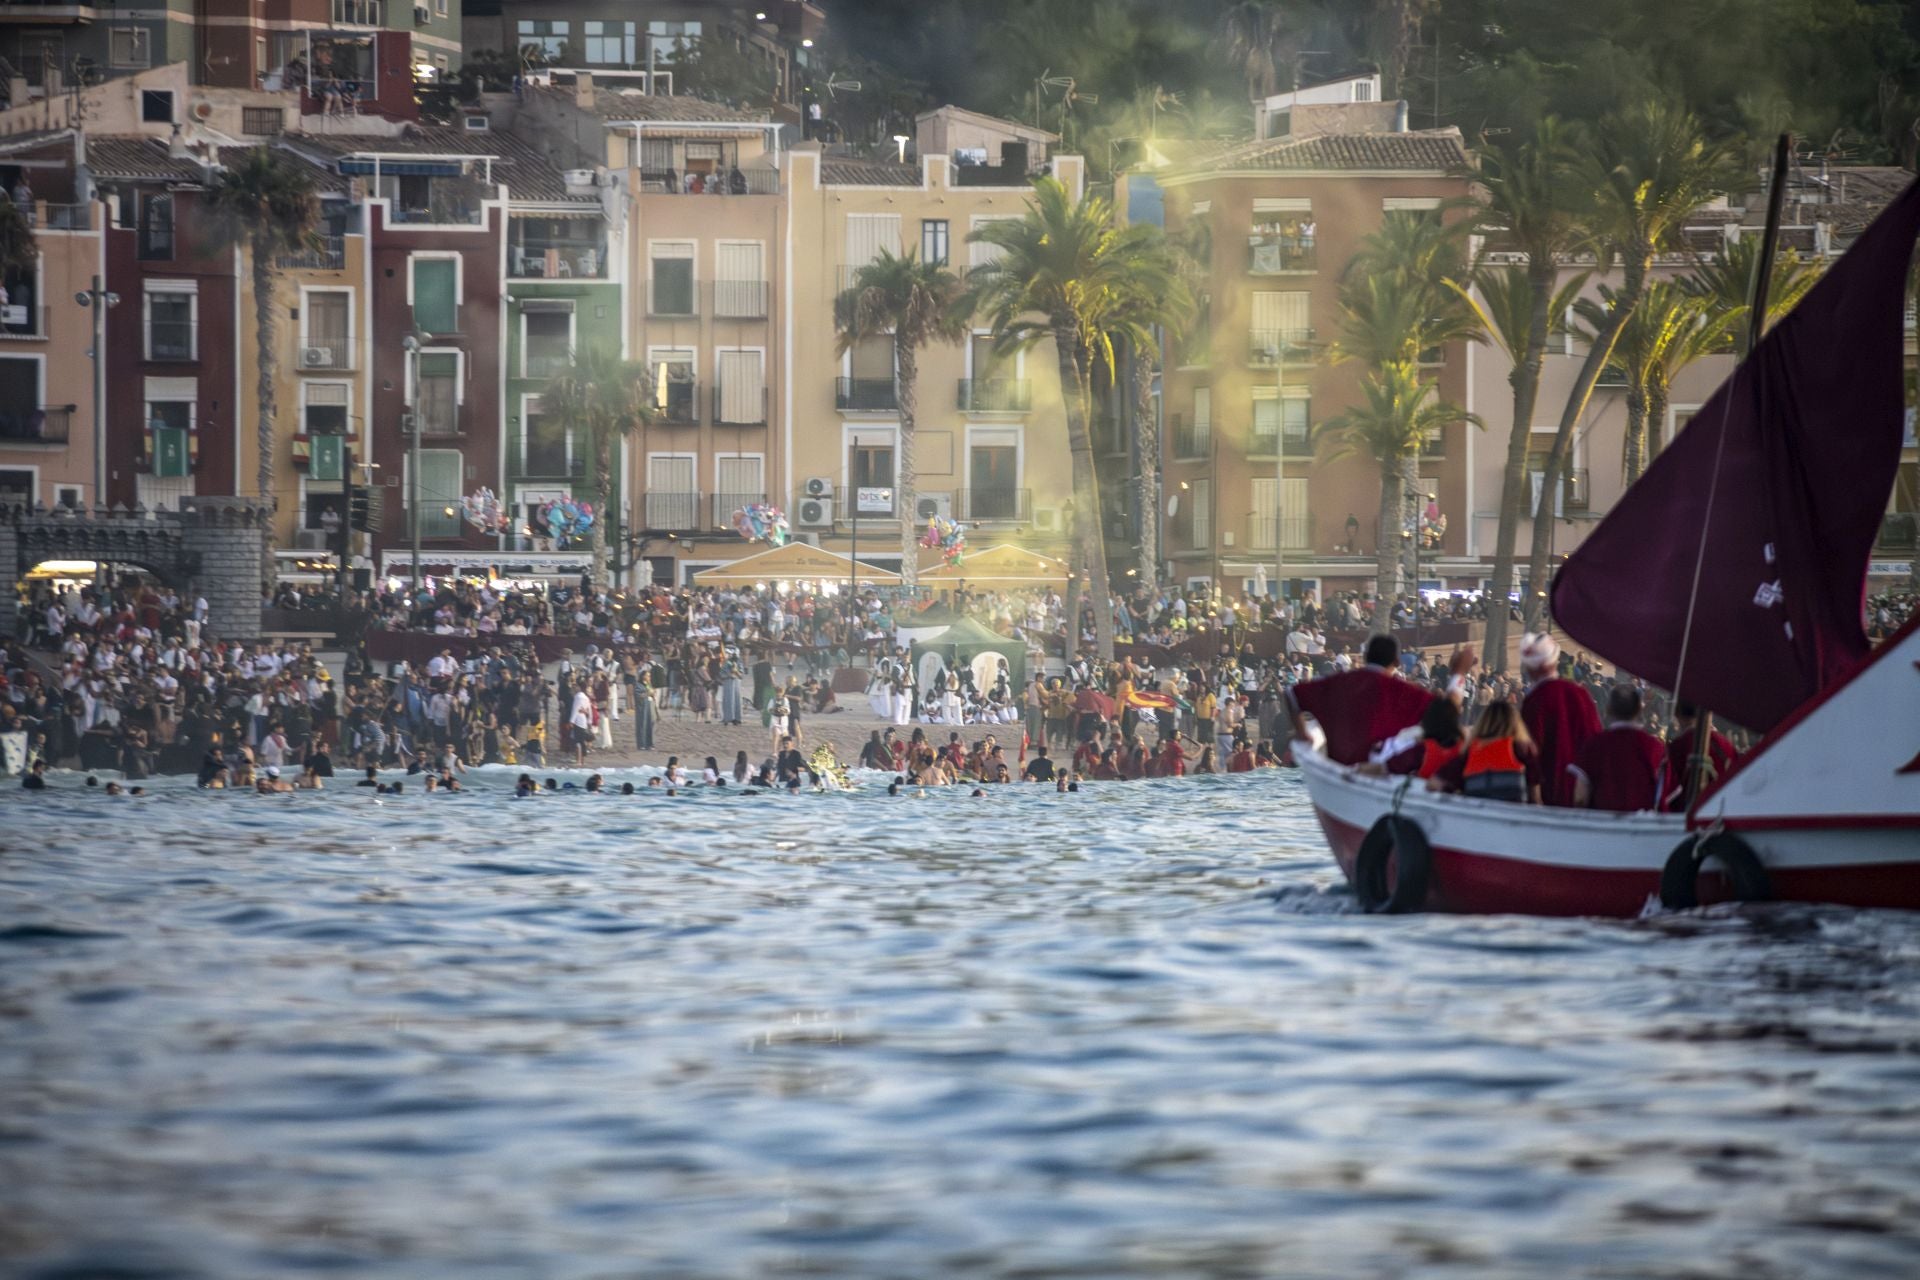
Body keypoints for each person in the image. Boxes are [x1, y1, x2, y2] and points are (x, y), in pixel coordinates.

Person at [1289, 634, 1460, 766]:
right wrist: (1460, 672)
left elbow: (1291, 694)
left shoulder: (1337, 682)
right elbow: (1449, 711)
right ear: (1397, 661)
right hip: (1383, 772)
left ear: (1365, 657)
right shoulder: (1405, 691)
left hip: (1341, 765)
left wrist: (1303, 735)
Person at [1517, 633, 1600, 807]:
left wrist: (1534, 795)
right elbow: (1595, 740)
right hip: (1582, 791)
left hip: (1548, 794)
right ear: (1555, 662)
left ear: (1530, 668)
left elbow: (1530, 752)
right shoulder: (1581, 694)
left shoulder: (1534, 701)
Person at [1570, 684, 1666, 812]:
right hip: (1640, 826)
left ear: (1608, 709)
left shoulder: (1594, 745)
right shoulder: (1656, 748)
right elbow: (1663, 797)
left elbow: (1580, 798)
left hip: (1599, 825)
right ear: (1639, 710)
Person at [1433, 699, 1538, 803]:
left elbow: (1435, 784)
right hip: (1513, 815)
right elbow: (1535, 797)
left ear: (1483, 722)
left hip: (1477, 815)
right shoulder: (1523, 750)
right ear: (1516, 724)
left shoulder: (1469, 752)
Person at [1660, 701, 1739, 812]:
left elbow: (1668, 790)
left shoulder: (1675, 748)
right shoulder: (1726, 745)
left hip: (1684, 818)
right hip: (1722, 813)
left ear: (1677, 714)